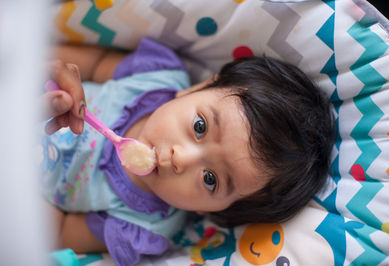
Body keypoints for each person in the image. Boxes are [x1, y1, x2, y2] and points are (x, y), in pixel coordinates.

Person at [41, 38, 335, 265]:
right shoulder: (155, 78)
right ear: (198, 88)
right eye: (199, 126)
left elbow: (60, 230)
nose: (181, 158)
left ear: (211, 210)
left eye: (210, 179)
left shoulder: (144, 225)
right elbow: (91, 63)